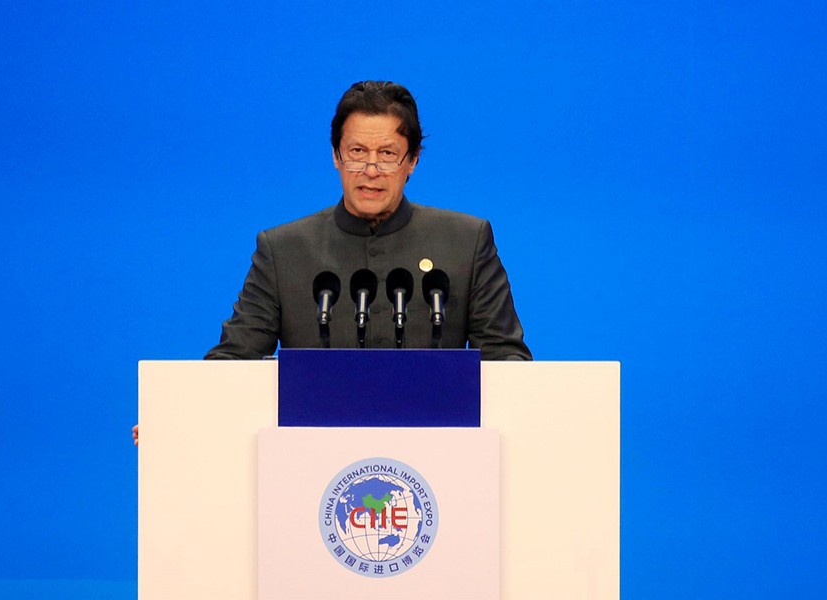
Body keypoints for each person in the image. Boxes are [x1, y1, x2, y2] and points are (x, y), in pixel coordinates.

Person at [133, 81, 530, 446]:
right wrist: (175, 416)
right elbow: (234, 360)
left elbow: (508, 364)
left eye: (388, 155)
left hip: (443, 461)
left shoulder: (465, 241)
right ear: (336, 156)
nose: (371, 170)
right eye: (357, 153)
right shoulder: (284, 250)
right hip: (310, 469)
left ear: (413, 161)